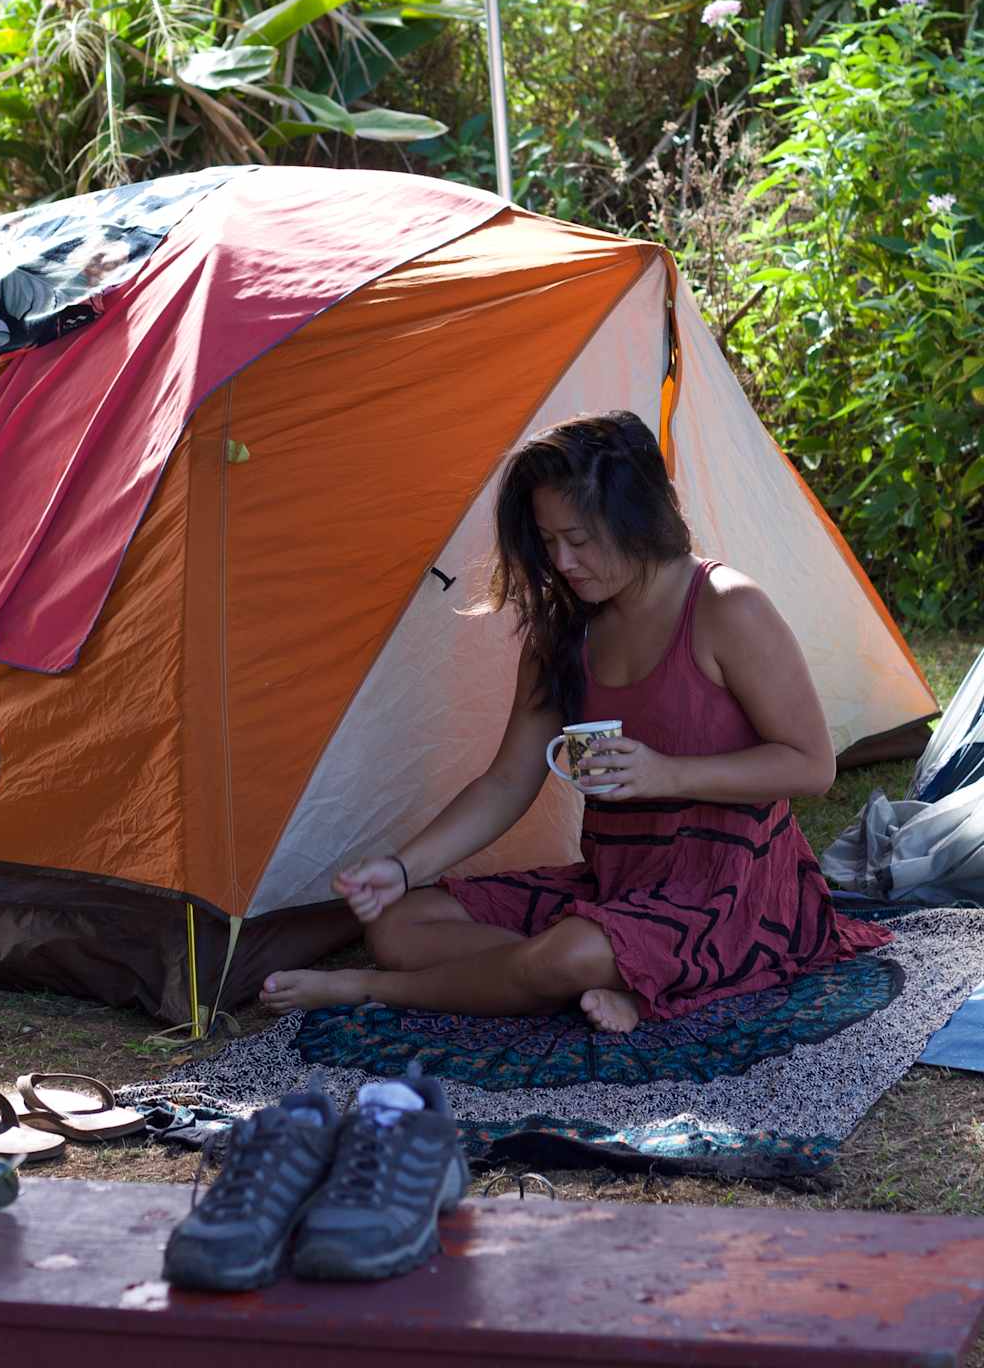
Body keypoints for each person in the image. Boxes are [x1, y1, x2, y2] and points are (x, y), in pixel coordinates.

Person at [262, 410, 891, 1033]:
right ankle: (594, 978)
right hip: (616, 882)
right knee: (399, 926)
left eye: (581, 540)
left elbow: (812, 766)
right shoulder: (563, 629)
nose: (562, 560)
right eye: (548, 540)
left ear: (636, 516)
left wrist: (667, 775)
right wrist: (401, 869)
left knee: (570, 951)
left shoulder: (727, 607)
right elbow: (506, 784)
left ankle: (379, 990)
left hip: (730, 889)